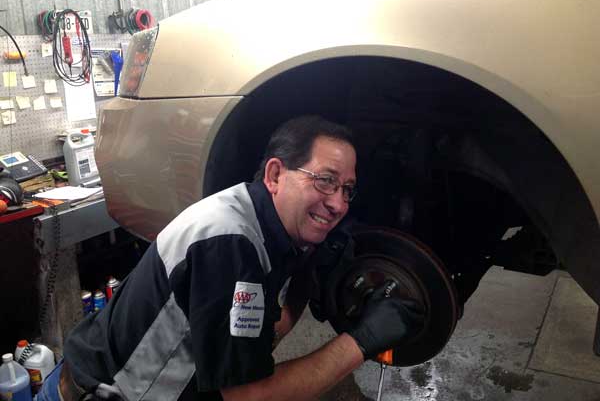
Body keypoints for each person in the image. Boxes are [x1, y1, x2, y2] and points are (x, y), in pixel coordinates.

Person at [37, 115, 423, 401]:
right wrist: (361, 341)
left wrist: (305, 279)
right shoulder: (230, 246)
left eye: (347, 189)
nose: (338, 203)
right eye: (325, 180)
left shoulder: (258, 221)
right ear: (275, 174)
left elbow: (256, 341)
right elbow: (248, 395)